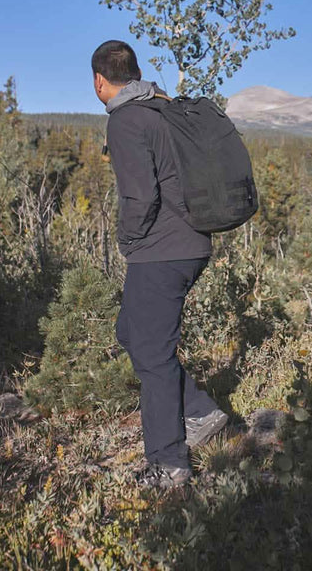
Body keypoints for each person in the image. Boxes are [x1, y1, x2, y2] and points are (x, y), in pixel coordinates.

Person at [92, 39, 228, 488]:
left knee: (152, 355)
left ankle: (169, 464)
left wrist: (127, 239)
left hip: (162, 249)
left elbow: (141, 195)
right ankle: (201, 414)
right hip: (190, 243)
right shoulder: (161, 107)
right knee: (131, 332)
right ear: (134, 72)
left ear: (99, 81)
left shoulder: (126, 120)